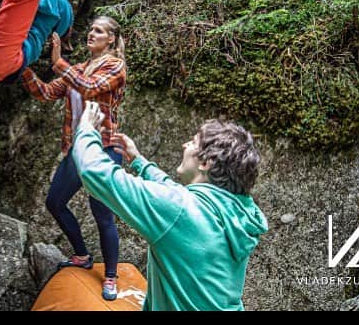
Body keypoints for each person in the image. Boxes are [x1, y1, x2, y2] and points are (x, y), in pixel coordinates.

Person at [72, 102, 268, 311]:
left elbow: (94, 172)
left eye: (193, 143)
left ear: (206, 163)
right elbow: (179, 198)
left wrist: (85, 129)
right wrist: (139, 162)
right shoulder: (236, 213)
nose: (185, 145)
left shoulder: (180, 210)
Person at [21, 16, 127, 302]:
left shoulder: (115, 66)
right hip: (77, 149)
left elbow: (90, 87)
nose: (92, 33)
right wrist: (22, 68)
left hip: (103, 149)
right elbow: (44, 92)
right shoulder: (78, 69)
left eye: (99, 31)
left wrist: (57, 61)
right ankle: (82, 255)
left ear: (112, 40)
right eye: (91, 29)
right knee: (54, 202)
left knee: (102, 213)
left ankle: (111, 277)